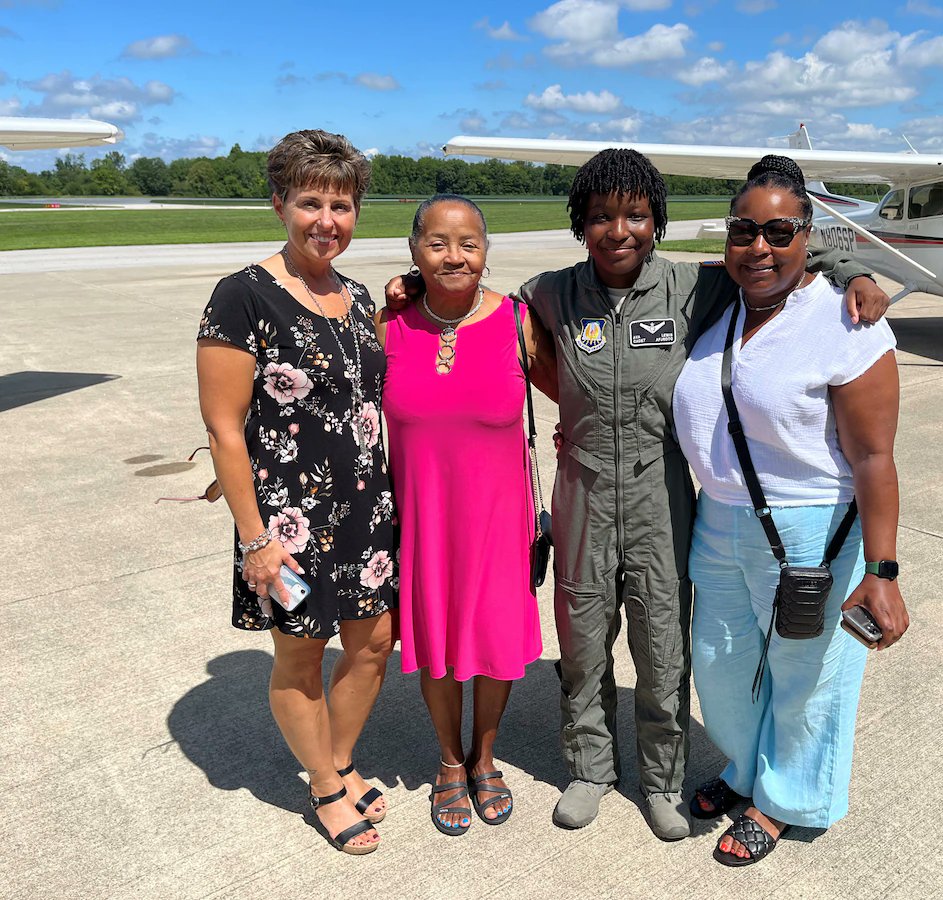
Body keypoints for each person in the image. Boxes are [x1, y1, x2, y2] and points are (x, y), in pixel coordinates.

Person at [385, 149, 890, 840]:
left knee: (664, 645)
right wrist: (409, 285)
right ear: (580, 225)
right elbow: (469, 301)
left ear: (657, 222)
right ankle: (591, 769)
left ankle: (661, 779)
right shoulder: (549, 294)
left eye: (636, 215)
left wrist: (849, 268)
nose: (618, 231)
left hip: (663, 492)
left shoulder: (694, 286)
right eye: (600, 217)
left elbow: (776, 261)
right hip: (584, 491)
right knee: (584, 641)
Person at [672, 155, 909, 866]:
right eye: (745, 230)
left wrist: (882, 568)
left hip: (808, 527)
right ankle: (748, 771)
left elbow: (874, 458)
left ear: (808, 235)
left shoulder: (845, 320)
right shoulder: (717, 302)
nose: (760, 247)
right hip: (719, 520)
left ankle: (786, 801)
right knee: (720, 667)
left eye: (780, 231)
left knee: (807, 677)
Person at [196, 130, 396, 855]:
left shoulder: (359, 292)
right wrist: (256, 540)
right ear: (280, 202)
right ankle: (323, 787)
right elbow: (223, 428)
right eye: (310, 201)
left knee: (374, 645)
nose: (327, 220)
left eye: (341, 204)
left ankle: (339, 760)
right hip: (289, 524)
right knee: (302, 655)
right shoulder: (243, 297)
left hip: (368, 511)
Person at [377, 194, 556, 836]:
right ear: (414, 249)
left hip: (497, 521)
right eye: (438, 243)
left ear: (486, 252)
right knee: (437, 644)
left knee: (493, 639)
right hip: (424, 521)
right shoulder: (389, 326)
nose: (454, 255)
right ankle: (449, 760)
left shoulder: (517, 322)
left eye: (469, 244)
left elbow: (576, 393)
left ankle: (485, 754)